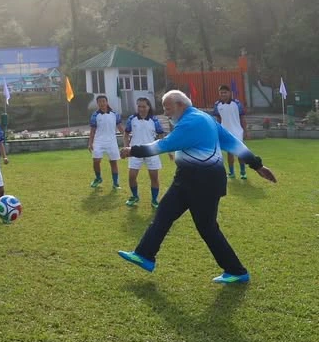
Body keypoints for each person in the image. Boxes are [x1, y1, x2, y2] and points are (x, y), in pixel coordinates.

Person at [118, 89, 277, 283]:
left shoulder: (191, 123)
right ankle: (145, 255)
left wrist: (131, 150)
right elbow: (231, 142)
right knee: (164, 215)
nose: (165, 112)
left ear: (180, 105)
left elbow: (164, 145)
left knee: (207, 228)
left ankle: (237, 271)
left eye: (167, 108)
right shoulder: (204, 118)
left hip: (204, 182)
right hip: (186, 179)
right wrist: (257, 165)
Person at [123, 96, 164, 207]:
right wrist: (126, 147)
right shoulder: (132, 119)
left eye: (144, 106)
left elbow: (161, 135)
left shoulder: (154, 120)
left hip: (151, 151)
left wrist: (163, 148)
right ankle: (135, 196)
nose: (141, 109)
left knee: (154, 177)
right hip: (135, 151)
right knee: (131, 176)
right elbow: (126, 134)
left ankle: (154, 200)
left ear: (148, 107)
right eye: (139, 106)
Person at [212, 84, 248, 178]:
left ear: (230, 93)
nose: (223, 94)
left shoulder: (237, 103)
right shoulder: (217, 104)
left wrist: (246, 131)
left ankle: (243, 172)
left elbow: (242, 117)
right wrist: (217, 131)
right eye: (221, 93)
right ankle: (232, 173)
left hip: (237, 131)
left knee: (240, 152)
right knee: (229, 153)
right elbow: (218, 119)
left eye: (225, 92)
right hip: (225, 132)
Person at [88, 94, 123, 191]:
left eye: (104, 101)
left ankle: (115, 183)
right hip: (98, 141)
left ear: (107, 102)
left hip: (112, 142)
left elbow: (120, 128)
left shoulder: (115, 114)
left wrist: (126, 137)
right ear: (97, 103)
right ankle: (98, 178)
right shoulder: (95, 115)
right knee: (96, 161)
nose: (102, 103)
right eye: (100, 102)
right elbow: (92, 131)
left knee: (113, 162)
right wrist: (90, 143)